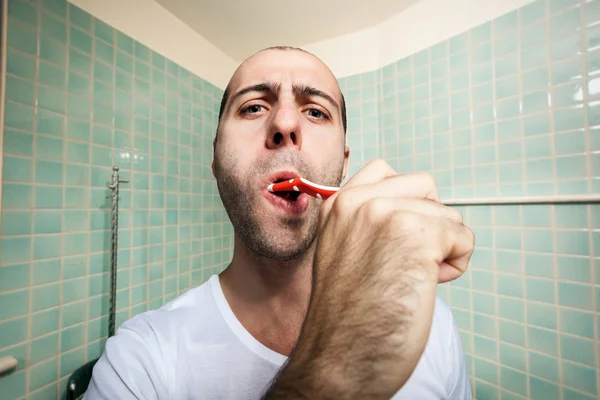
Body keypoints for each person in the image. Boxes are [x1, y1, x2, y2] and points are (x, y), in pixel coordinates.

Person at [84, 46, 474, 399]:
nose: (285, 123)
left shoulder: (427, 323)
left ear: (343, 162)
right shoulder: (139, 362)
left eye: (316, 111)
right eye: (253, 107)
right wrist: (335, 366)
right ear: (216, 158)